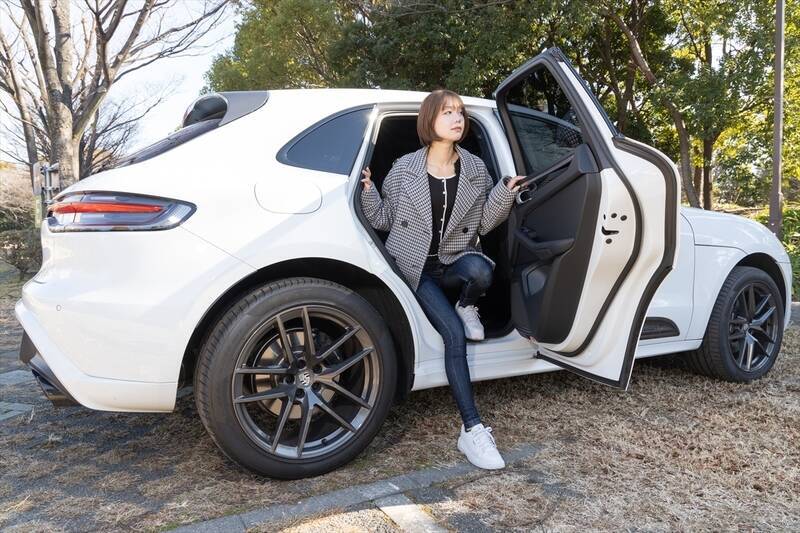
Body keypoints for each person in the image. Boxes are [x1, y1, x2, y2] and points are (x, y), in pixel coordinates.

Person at [360, 89, 524, 470]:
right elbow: (383, 220)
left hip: (452, 262)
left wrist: (504, 193)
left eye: (460, 113)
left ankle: (467, 305)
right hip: (416, 268)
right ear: (429, 120)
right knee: (453, 335)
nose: (457, 119)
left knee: (482, 271)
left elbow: (483, 224)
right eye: (447, 112)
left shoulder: (475, 168)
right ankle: (472, 429)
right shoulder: (404, 168)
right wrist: (368, 191)